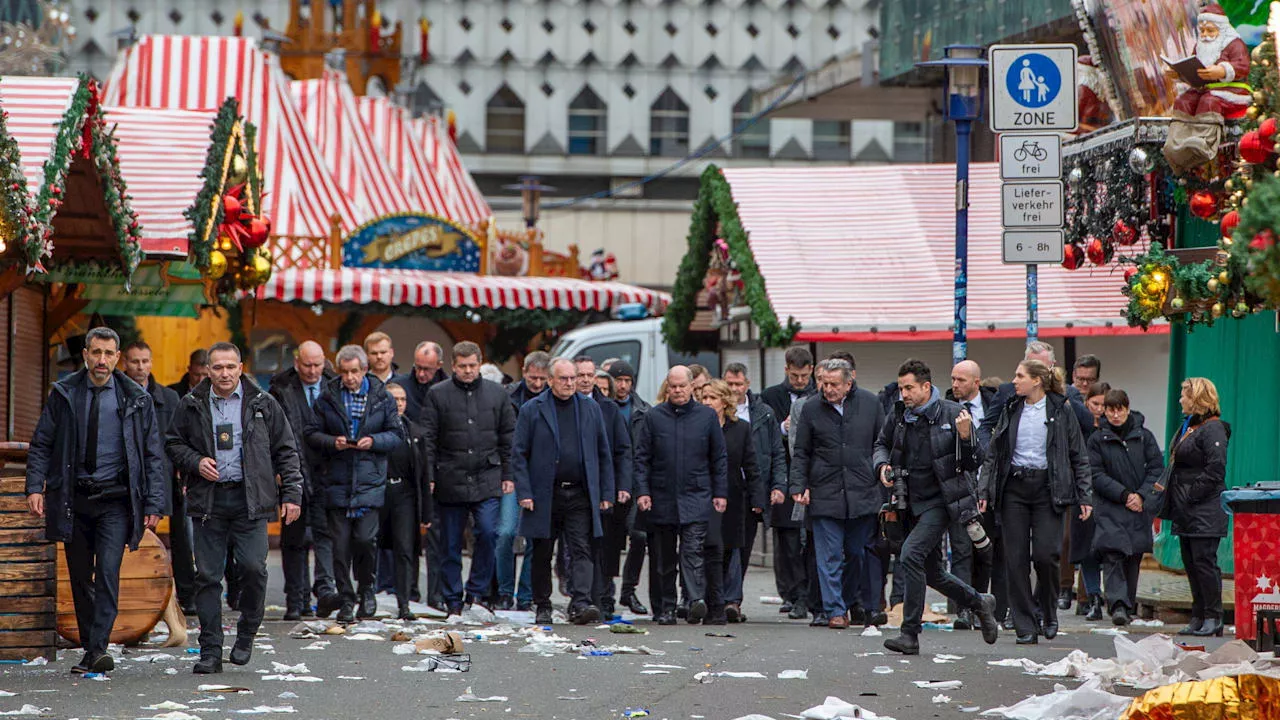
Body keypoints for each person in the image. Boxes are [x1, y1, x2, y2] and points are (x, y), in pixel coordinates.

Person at [27, 327, 167, 675]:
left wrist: (154, 503)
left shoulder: (135, 398)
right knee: (79, 576)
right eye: (96, 353)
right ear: (86, 355)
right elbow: (42, 442)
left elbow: (153, 454)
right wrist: (34, 486)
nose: (102, 360)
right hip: (74, 499)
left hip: (116, 500)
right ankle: (93, 647)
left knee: (106, 571)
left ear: (117, 357)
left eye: (108, 353)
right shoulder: (64, 393)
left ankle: (99, 646)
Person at [166, 342, 303, 674]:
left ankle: (247, 632)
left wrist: (293, 494)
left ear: (241, 368)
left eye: (230, 367)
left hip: (250, 500)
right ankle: (210, 650)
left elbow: (286, 449)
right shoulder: (191, 404)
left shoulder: (263, 403)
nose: (224, 373)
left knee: (254, 569)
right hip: (209, 500)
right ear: (208, 370)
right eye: (218, 367)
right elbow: (172, 442)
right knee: (208, 577)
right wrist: (196, 461)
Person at [872, 359, 999, 655]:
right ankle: (980, 602)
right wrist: (882, 466)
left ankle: (909, 634)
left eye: (909, 388)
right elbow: (880, 443)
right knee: (931, 572)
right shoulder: (900, 414)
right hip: (908, 502)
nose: (903, 394)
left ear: (926, 387)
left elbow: (975, 461)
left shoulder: (954, 413)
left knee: (910, 556)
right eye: (901, 387)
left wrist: (966, 437)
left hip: (942, 502)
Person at [980, 359, 1092, 645]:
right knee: (1015, 559)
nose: (1014, 381)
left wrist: (1084, 495)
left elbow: (1078, 454)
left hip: (1048, 489)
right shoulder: (1010, 407)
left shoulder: (1060, 409)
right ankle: (1025, 623)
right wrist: (984, 491)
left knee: (1046, 555)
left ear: (1037, 380)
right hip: (1014, 489)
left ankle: (1048, 612)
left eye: (1020, 376)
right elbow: (994, 452)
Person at [512, 358, 616, 624]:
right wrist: (524, 492)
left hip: (580, 493)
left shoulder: (590, 407)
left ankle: (580, 602)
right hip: (544, 494)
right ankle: (542, 604)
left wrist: (606, 493)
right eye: (564, 379)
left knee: (582, 548)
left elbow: (603, 453)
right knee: (543, 550)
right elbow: (519, 454)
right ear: (550, 380)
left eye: (572, 378)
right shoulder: (532, 409)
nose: (570, 383)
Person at [307, 345, 403, 623]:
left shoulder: (382, 397)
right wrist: (332, 442)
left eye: (355, 371)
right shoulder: (327, 398)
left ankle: (367, 590)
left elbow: (397, 434)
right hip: (336, 480)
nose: (349, 377)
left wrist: (373, 442)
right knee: (340, 546)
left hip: (369, 480)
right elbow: (311, 433)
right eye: (345, 372)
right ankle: (347, 599)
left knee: (364, 541)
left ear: (364, 370)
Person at [789, 358, 885, 630]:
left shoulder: (870, 403)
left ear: (848, 383)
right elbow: (801, 451)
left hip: (862, 491)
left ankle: (844, 599)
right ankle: (834, 610)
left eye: (833, 384)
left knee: (856, 553)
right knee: (828, 555)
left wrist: (881, 474)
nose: (827, 388)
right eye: (824, 383)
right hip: (824, 490)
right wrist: (798, 485)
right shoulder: (811, 409)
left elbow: (882, 442)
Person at [422, 341, 517, 614]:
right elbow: (428, 439)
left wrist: (508, 473)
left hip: (487, 474)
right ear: (453, 365)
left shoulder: (497, 394)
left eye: (472, 366)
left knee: (489, 532)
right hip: (450, 477)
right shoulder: (437, 395)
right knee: (449, 543)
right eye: (462, 366)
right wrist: (430, 474)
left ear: (479, 363)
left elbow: (509, 438)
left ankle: (475, 592)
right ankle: (453, 598)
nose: (467, 371)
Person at [634, 366, 728, 625]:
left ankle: (694, 599)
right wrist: (642, 491)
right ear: (667, 387)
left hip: (697, 495)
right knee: (664, 558)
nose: (677, 390)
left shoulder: (706, 417)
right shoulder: (654, 417)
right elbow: (642, 457)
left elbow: (718, 457)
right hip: (662, 495)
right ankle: (666, 607)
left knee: (692, 551)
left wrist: (720, 492)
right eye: (672, 386)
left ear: (691, 387)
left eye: (682, 386)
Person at [268, 341, 335, 620]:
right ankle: (296, 599)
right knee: (294, 538)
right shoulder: (281, 388)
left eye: (317, 365)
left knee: (325, 535)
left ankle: (325, 591)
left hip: (328, 472)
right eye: (307, 365)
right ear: (297, 362)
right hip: (294, 471)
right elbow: (272, 433)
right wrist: (278, 469)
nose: (312, 370)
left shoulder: (334, 384)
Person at [1088, 389, 1164, 627]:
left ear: (1128, 408)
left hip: (1139, 506)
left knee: (1133, 556)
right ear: (1105, 411)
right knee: (1113, 553)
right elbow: (1095, 473)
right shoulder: (1097, 439)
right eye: (1111, 409)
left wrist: (1141, 495)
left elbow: (1156, 468)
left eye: (1120, 409)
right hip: (1111, 505)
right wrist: (1124, 495)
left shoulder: (1144, 437)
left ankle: (1126, 604)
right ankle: (1118, 605)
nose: (1116, 414)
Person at [1164, 377, 1230, 637]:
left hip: (1204, 508)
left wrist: (1191, 494)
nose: (1180, 399)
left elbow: (1216, 469)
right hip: (1186, 509)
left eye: (1185, 395)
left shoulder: (1213, 429)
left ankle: (1214, 617)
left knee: (1205, 563)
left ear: (1198, 398)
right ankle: (1198, 615)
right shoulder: (1189, 426)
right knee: (1191, 564)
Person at [121, 341, 185, 605]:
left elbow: (180, 438)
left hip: (163, 474)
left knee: (174, 539)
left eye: (145, 361)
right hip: (125, 475)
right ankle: (132, 597)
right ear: (125, 362)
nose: (140, 367)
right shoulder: (116, 393)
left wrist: (182, 471)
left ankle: (171, 597)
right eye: (135, 361)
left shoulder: (169, 399)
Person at [722, 364, 784, 623]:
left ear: (747, 384)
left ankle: (732, 598)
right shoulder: (718, 412)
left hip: (753, 487)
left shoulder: (764, 414)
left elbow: (776, 452)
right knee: (727, 544)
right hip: (726, 486)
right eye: (730, 384)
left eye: (739, 384)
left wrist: (778, 485)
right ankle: (728, 599)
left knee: (743, 545)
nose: (735, 389)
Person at [700, 379, 764, 625]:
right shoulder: (698, 426)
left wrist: (758, 498)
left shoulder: (741, 429)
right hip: (704, 495)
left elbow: (751, 464)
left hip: (735, 495)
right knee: (709, 548)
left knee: (732, 549)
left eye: (712, 398)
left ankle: (731, 600)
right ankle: (707, 598)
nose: (707, 402)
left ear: (724, 401)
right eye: (704, 397)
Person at [575, 356, 633, 619]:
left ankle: (600, 598)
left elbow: (621, 451)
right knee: (579, 546)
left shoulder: (608, 409)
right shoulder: (562, 406)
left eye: (589, 374)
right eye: (580, 375)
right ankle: (582, 597)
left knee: (602, 545)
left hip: (602, 488)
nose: (585, 379)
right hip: (572, 489)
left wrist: (621, 485)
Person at [761, 347, 815, 620]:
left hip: (809, 477)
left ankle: (804, 594)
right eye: (795, 376)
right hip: (782, 474)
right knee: (785, 540)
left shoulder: (819, 394)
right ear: (786, 370)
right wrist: (784, 429)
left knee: (805, 540)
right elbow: (767, 437)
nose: (800, 381)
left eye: (804, 376)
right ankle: (789, 593)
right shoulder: (771, 396)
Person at [1164, 5, 1251, 174]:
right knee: (1184, 100)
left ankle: (1203, 142)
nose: (1204, 35)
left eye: (1210, 31)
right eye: (1202, 31)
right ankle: (1176, 142)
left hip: (1231, 89)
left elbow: (1242, 66)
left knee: (1209, 101)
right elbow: (1194, 69)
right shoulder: (1200, 46)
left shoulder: (1234, 44)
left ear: (1221, 29)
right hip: (1205, 88)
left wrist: (1222, 70)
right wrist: (1179, 74)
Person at [946, 360, 998, 630]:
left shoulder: (994, 407)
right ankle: (963, 609)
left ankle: (982, 604)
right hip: (959, 489)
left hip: (988, 490)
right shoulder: (947, 408)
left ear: (976, 382)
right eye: (953, 379)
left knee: (985, 552)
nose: (955, 385)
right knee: (961, 551)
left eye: (961, 380)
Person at [497, 352, 551, 611]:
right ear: (524, 371)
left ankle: (527, 594)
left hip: (541, 476)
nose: (538, 383)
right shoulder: (509, 397)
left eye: (542, 378)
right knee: (505, 533)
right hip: (513, 472)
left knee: (535, 537)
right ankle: (505, 591)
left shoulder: (553, 401)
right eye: (533, 377)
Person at [382, 382, 433, 619]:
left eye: (402, 399)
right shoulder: (374, 429)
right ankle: (365, 596)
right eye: (394, 399)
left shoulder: (414, 431)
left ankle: (404, 602)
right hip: (378, 493)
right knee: (367, 545)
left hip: (404, 494)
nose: (399, 404)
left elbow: (424, 475)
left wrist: (426, 513)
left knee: (404, 548)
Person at [165, 348, 208, 610]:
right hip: (181, 473)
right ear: (189, 369)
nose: (201, 378)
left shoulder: (216, 394)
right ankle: (188, 593)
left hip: (208, 471)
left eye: (205, 374)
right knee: (183, 537)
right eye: (197, 373)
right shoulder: (174, 395)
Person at [608, 360, 651, 615]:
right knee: (610, 542)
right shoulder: (603, 407)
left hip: (636, 485)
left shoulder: (642, 411)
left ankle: (628, 590)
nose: (622, 386)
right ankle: (606, 592)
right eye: (618, 380)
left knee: (639, 536)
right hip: (610, 484)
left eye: (627, 381)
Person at [1073, 381, 1112, 621]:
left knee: (1107, 546)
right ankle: (1093, 597)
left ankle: (1107, 597)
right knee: (1086, 549)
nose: (1099, 409)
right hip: (1084, 492)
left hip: (1107, 493)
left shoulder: (1113, 428)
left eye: (1103, 405)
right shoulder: (1079, 426)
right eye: (1094, 404)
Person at [391, 341, 447, 423]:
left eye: (427, 369)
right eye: (418, 367)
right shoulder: (398, 386)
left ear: (439, 365)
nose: (421, 374)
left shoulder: (450, 389)